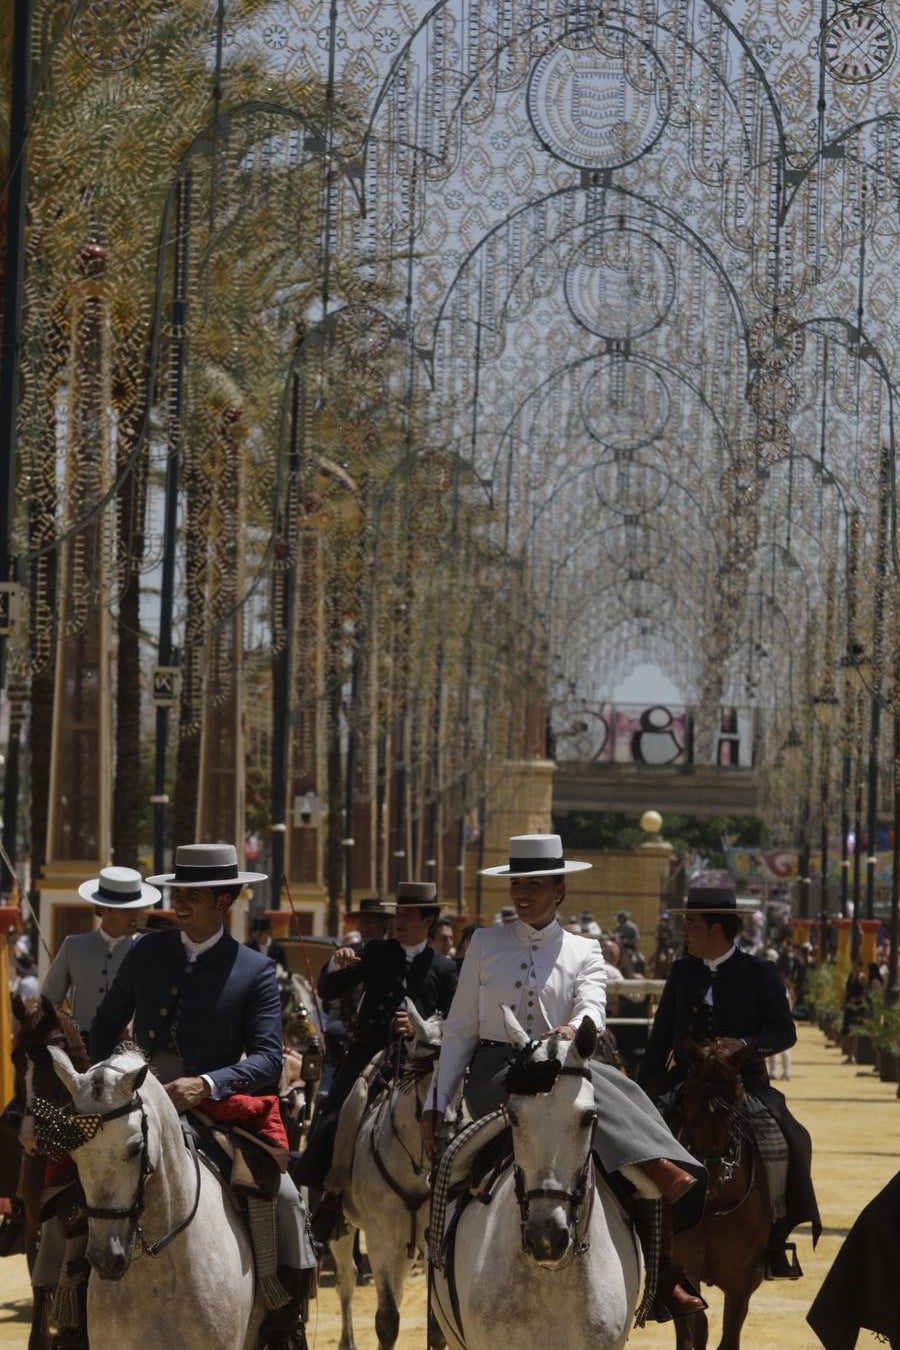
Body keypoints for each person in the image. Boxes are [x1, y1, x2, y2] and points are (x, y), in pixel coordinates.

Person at [421, 834, 708, 1319]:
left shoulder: (585, 950)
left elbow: (593, 1006)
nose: (522, 893)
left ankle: (663, 1274)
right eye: (516, 884)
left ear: (560, 890)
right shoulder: (485, 944)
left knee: (615, 1094)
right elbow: (460, 1030)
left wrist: (576, 1027)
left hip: (566, 1063)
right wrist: (436, 1100)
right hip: (497, 1074)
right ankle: (441, 1271)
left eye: (534, 884)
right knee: (455, 1163)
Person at [91, 843, 316, 1350]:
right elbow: (103, 1027)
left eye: (193, 894)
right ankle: (65, 1308)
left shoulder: (255, 969)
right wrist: (110, 1084)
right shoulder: (144, 952)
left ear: (225, 901)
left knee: (282, 1199)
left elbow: (268, 1059)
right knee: (78, 1186)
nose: (180, 902)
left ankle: (282, 1319)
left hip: (213, 1109)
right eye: (178, 892)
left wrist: (206, 1083)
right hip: (140, 1103)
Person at [638, 883, 821, 1279]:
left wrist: (745, 1046)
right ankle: (644, 1237)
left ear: (716, 929)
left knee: (790, 1139)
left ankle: (774, 1238)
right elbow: (660, 1038)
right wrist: (642, 1090)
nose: (684, 930)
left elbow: (784, 1033)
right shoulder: (682, 971)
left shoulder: (760, 972)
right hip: (685, 1082)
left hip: (744, 1084)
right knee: (635, 1142)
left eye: (691, 923)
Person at [294, 881, 457, 1236]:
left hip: (423, 1059)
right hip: (371, 1052)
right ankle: (330, 1197)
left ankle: (458, 1196)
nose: (399, 921)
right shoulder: (377, 951)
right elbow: (327, 990)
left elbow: (456, 1016)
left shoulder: (444, 968)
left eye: (408, 915)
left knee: (456, 1115)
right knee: (336, 1113)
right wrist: (335, 966)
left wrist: (422, 1026)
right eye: (397, 914)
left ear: (428, 920)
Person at [42, 866, 161, 1038]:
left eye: (139, 909)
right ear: (104, 909)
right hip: (81, 1050)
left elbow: (156, 1002)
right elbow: (49, 1001)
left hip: (131, 1052)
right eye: (128, 910)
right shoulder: (73, 946)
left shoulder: (146, 949)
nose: (137, 916)